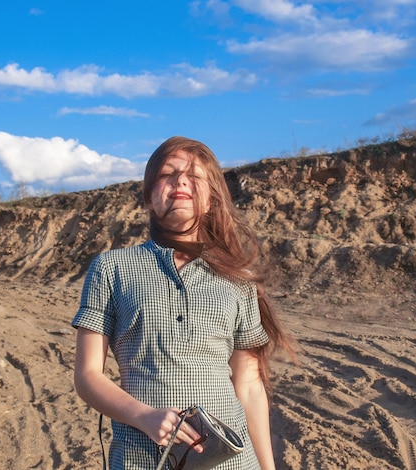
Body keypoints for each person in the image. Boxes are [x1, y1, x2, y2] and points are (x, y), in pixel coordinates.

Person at [72, 136, 294, 469]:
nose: (180, 181)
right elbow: (88, 375)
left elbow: (248, 386)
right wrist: (144, 416)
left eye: (195, 175)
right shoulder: (111, 268)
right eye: (167, 173)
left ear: (210, 199)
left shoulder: (239, 278)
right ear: (149, 196)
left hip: (232, 462)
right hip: (142, 459)